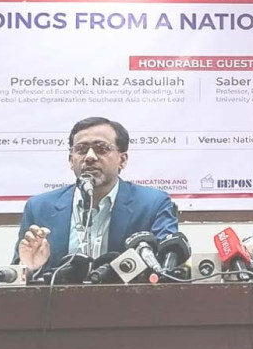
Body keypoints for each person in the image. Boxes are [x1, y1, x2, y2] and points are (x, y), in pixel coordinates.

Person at [14, 117, 178, 272]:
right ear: (71, 160)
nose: (90, 157)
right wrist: (31, 268)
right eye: (81, 149)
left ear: (122, 160)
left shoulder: (153, 204)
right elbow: (18, 273)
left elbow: (168, 267)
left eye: (101, 148)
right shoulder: (40, 207)